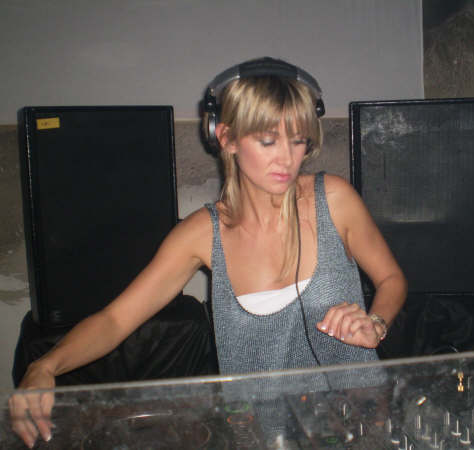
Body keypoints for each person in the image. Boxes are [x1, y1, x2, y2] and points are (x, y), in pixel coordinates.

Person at [10, 57, 407, 448]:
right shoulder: (201, 234)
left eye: (298, 139)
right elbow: (115, 320)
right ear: (226, 137)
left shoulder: (334, 199)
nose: (287, 158)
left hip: (360, 424)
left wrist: (376, 323)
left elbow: (391, 280)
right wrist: (44, 366)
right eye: (268, 140)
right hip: (262, 437)